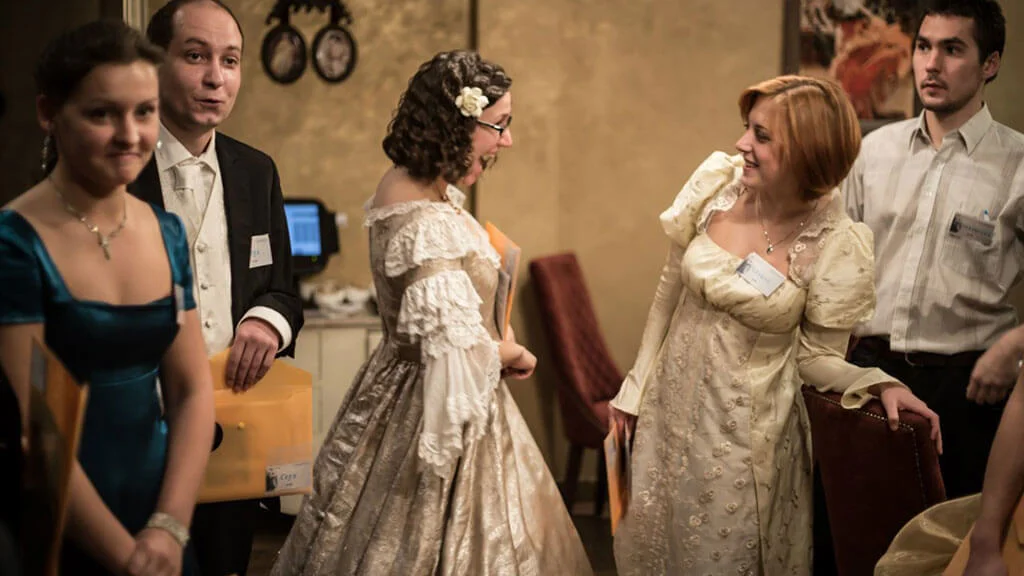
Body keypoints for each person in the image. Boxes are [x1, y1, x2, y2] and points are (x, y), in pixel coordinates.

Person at [270, 50, 593, 576]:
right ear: (457, 122)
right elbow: (453, 354)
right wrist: (510, 351)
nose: (507, 140)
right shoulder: (424, 218)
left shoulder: (419, 190)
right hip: (428, 404)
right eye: (499, 125)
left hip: (409, 386)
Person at [607, 75, 942, 575]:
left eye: (761, 135)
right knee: (654, 549)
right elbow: (667, 293)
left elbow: (817, 358)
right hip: (667, 413)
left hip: (742, 444)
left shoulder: (837, 241)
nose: (741, 143)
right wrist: (634, 390)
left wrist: (878, 382)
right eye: (748, 127)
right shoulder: (718, 185)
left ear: (807, 151)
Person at [0, 20, 215, 575]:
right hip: (61, 516)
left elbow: (191, 390)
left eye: (144, 112)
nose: (130, 134)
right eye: (102, 114)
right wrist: (128, 559)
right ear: (49, 113)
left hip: (159, 511)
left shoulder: (167, 232)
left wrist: (169, 527)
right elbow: (35, 431)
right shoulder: (13, 241)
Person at [131, 1, 305, 575]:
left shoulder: (257, 170)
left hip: (233, 427)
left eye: (230, 60)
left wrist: (266, 323)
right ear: (154, 63)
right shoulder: (118, 165)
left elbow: (284, 291)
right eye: (195, 56)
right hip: (140, 431)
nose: (216, 78)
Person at [842, 0, 1022, 501]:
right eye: (923, 47)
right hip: (871, 376)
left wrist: (1014, 346)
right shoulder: (873, 151)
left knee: (949, 536)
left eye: (952, 49)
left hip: (969, 388)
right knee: (855, 534)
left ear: (990, 64)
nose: (931, 64)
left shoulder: (1017, 164)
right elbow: (834, 262)